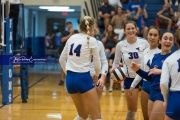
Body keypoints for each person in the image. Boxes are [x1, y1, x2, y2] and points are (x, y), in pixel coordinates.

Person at [59, 16, 102, 120]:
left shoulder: (72, 38)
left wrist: (67, 72)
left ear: (79, 26)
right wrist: (97, 75)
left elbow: (61, 59)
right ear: (92, 27)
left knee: (82, 116)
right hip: (83, 78)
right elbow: (97, 63)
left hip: (69, 80)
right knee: (96, 117)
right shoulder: (91, 40)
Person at [130, 31, 174, 120]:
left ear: (173, 42)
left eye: (170, 39)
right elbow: (150, 76)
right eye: (165, 38)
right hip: (152, 93)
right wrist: (138, 70)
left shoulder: (174, 58)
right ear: (160, 41)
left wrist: (161, 71)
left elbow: (175, 76)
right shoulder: (156, 56)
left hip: (163, 94)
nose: (168, 41)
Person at [112, 20, 149, 120]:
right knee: (131, 109)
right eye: (128, 29)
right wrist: (114, 73)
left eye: (133, 28)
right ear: (124, 31)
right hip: (129, 78)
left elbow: (150, 60)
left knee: (147, 109)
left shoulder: (144, 42)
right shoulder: (120, 45)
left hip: (144, 77)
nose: (131, 30)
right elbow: (115, 62)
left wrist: (139, 66)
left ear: (136, 30)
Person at [128, 26, 161, 120]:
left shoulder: (161, 53)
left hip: (156, 87)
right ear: (147, 36)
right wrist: (133, 85)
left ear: (159, 38)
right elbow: (142, 71)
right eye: (150, 34)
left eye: (155, 35)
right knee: (145, 117)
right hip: (145, 86)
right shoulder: (145, 52)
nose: (152, 37)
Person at [160, 28, 180, 120]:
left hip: (175, 98)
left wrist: (166, 100)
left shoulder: (169, 59)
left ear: (176, 41)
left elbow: (163, 83)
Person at [59, 21, 78, 85]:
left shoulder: (76, 32)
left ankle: (74, 80)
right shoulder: (64, 33)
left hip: (74, 51)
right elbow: (62, 40)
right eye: (68, 24)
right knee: (64, 66)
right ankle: (62, 79)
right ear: (66, 26)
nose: (69, 25)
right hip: (66, 51)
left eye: (70, 24)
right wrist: (70, 34)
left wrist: (73, 33)